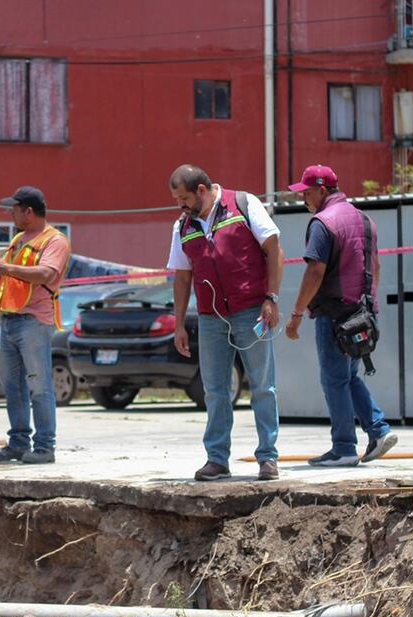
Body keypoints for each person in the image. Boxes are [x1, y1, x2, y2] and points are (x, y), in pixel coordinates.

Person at [167, 165, 284, 482]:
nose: (181, 205)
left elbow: (273, 248)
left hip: (251, 311)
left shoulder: (244, 204)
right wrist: (179, 324)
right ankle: (217, 459)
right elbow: (181, 276)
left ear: (202, 191)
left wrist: (271, 297)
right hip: (210, 318)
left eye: (184, 198)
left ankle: (268, 458)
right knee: (215, 390)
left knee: (262, 386)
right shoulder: (183, 226)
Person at [284, 165, 398, 466]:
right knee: (348, 377)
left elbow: (315, 269)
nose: (304, 199)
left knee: (334, 381)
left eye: (307, 193)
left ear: (322, 191)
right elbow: (377, 267)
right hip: (363, 313)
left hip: (335, 315)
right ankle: (378, 430)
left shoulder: (322, 222)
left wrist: (296, 313)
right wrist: (369, 308)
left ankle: (344, 448)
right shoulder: (364, 219)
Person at [0, 186, 71, 465]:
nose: (10, 214)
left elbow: (46, 273)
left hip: (33, 322)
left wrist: (6, 268)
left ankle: (44, 446)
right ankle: (19, 443)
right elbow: (13, 275)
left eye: (14, 209)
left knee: (39, 385)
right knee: (13, 386)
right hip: (10, 320)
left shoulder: (55, 241)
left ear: (28, 212)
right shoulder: (19, 238)